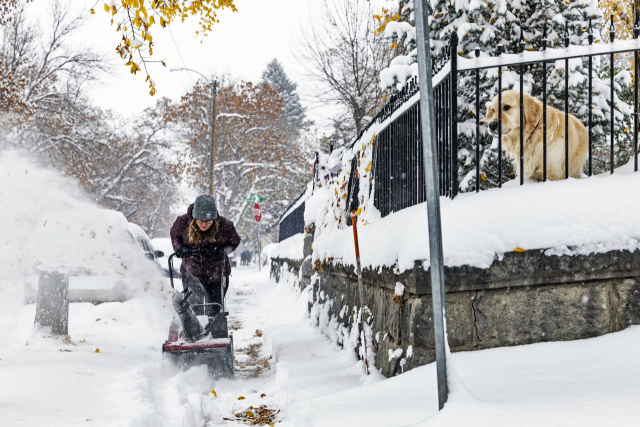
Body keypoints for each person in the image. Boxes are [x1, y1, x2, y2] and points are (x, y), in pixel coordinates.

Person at [170, 195, 241, 317]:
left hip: (217, 274)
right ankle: (196, 334)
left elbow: (235, 241)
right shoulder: (182, 223)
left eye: (208, 221)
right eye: (200, 221)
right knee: (194, 309)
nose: (204, 225)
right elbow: (174, 235)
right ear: (193, 217)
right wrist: (179, 248)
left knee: (214, 309)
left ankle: (215, 333)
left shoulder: (225, 225)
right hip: (191, 273)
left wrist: (221, 250)